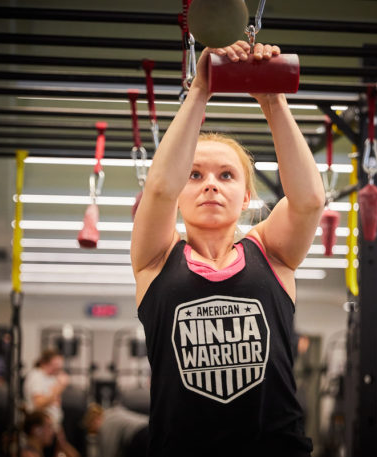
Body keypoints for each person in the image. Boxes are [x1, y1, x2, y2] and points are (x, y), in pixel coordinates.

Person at [131, 40, 325, 457]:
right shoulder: (155, 258)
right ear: (180, 193)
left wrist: (272, 100)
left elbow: (309, 200)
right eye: (195, 174)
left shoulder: (271, 254)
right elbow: (160, 187)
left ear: (246, 195)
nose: (211, 184)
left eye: (226, 175)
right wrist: (200, 89)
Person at [24, 349, 80, 457]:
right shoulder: (36, 377)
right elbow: (38, 403)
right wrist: (60, 387)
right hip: (40, 428)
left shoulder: (50, 378)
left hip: (52, 428)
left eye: (60, 366)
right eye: (55, 365)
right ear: (44, 363)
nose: (58, 369)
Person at [82, 403, 149, 457]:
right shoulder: (112, 413)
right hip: (149, 426)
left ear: (94, 421)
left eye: (93, 430)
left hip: (140, 434)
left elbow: (109, 452)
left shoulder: (105, 424)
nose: (97, 434)